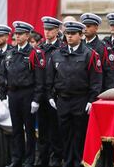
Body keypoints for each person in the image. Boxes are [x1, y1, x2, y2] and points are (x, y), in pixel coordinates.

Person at [46, 21, 102, 167]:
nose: (69, 36)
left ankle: (78, 162)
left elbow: (96, 80)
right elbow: (50, 78)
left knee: (79, 133)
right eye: (67, 34)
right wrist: (50, 96)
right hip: (63, 99)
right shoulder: (57, 54)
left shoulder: (89, 54)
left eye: (73, 34)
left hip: (80, 99)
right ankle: (67, 161)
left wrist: (92, 100)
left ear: (80, 35)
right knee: (64, 132)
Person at [0, 21, 45, 167]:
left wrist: (36, 99)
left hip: (28, 93)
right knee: (16, 128)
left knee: (29, 129)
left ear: (27, 35)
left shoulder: (34, 53)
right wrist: (3, 95)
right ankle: (16, 159)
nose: (17, 36)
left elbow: (39, 79)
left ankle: (29, 160)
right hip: (13, 94)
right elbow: (4, 76)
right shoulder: (10, 53)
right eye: (16, 34)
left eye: (20, 34)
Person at [35, 16, 63, 167]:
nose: (47, 32)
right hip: (41, 93)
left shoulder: (61, 48)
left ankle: (56, 158)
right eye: (45, 29)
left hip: (55, 94)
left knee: (55, 129)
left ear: (57, 31)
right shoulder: (39, 49)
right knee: (42, 129)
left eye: (50, 29)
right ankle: (42, 159)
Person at [80, 13, 114, 91]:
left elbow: (109, 74)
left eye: (88, 26)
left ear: (96, 28)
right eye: (84, 26)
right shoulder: (79, 45)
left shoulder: (103, 47)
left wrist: (106, 93)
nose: (85, 29)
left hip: (97, 90)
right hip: (81, 92)